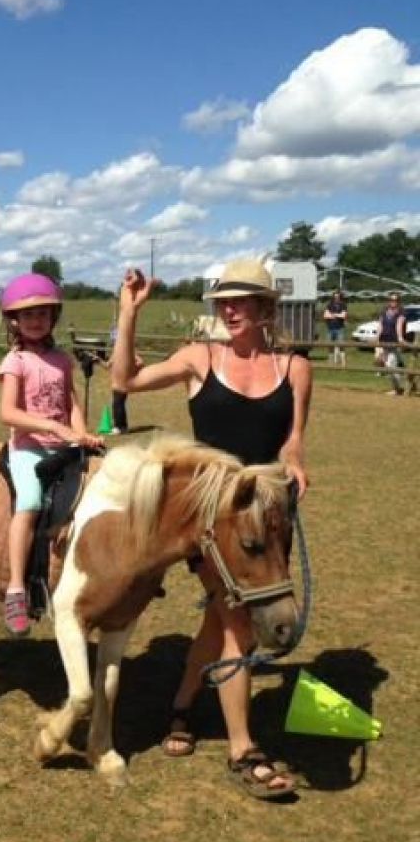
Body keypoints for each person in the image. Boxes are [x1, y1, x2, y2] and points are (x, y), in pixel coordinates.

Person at [112, 259, 312, 800]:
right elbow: (123, 380)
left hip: (269, 519)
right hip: (214, 522)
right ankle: (243, 749)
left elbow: (292, 439)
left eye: (241, 300)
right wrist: (128, 312)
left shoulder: (293, 369)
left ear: (266, 308)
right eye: (223, 300)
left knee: (222, 626)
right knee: (239, 627)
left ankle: (180, 705)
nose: (229, 308)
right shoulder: (200, 358)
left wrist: (294, 462)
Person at [0, 272, 101, 637]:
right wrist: (52, 427)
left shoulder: (61, 359)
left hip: (64, 445)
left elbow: (69, 401)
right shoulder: (15, 362)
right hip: (29, 449)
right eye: (28, 315)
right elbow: (8, 413)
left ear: (53, 316)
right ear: (14, 321)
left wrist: (82, 432)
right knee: (28, 501)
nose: (36, 320)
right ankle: (15, 589)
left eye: (42, 313)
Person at [376, 293, 406, 395]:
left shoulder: (400, 313)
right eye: (392, 300)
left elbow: (399, 326)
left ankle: (397, 389)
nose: (393, 302)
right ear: (388, 301)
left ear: (398, 301)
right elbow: (380, 325)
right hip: (384, 340)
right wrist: (377, 338)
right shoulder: (383, 312)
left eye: (396, 300)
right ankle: (399, 387)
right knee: (388, 365)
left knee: (390, 365)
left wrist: (400, 338)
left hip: (394, 342)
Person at [323, 290, 348, 367]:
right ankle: (331, 362)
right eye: (335, 297)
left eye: (338, 297)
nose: (336, 298)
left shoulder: (343, 305)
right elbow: (325, 315)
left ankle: (343, 362)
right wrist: (337, 315)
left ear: (340, 297)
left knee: (341, 345)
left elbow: (343, 315)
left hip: (340, 328)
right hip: (330, 328)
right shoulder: (329, 305)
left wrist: (334, 314)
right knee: (330, 345)